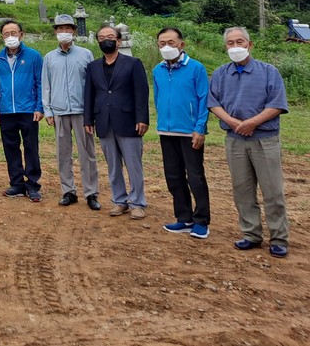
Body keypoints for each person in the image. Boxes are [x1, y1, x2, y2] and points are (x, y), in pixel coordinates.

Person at [208, 27, 290, 258]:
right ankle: (251, 234)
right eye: (230, 43)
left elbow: (277, 104)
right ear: (225, 47)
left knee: (272, 191)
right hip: (235, 140)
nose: (235, 46)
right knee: (242, 190)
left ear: (249, 44)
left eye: (240, 42)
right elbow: (213, 103)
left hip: (264, 139)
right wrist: (232, 122)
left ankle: (279, 237)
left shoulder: (269, 72)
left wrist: (252, 122)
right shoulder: (220, 74)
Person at [84, 23, 150, 220]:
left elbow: (141, 93)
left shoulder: (133, 63)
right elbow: (89, 94)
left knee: (133, 164)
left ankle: (137, 202)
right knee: (113, 165)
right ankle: (120, 200)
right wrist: (88, 119)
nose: (106, 41)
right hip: (103, 121)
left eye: (110, 37)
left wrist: (142, 118)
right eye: (102, 38)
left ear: (119, 41)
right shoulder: (93, 66)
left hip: (128, 120)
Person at [154, 27, 211, 239]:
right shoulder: (157, 70)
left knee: (195, 176)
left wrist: (200, 128)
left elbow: (204, 99)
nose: (167, 46)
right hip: (166, 131)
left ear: (181, 44)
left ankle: (201, 220)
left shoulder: (196, 68)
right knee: (173, 175)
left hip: (190, 132)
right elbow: (158, 98)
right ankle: (184, 217)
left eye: (171, 42)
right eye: (162, 43)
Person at [43, 15, 99, 210]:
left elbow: (93, 84)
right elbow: (46, 85)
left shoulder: (86, 54)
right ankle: (68, 191)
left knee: (87, 153)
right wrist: (48, 110)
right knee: (63, 153)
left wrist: (92, 111)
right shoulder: (49, 57)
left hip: (82, 111)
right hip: (59, 111)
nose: (64, 32)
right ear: (55, 32)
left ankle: (91, 193)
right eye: (60, 29)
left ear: (74, 31)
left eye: (67, 29)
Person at [0, 20, 44, 201]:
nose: (10, 36)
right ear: (2, 37)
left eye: (14, 33)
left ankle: (33, 184)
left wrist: (39, 107)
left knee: (31, 147)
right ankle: (17, 184)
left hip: (28, 110)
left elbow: (40, 82)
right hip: (6, 111)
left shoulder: (34, 56)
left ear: (21, 34)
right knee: (10, 148)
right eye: (6, 34)